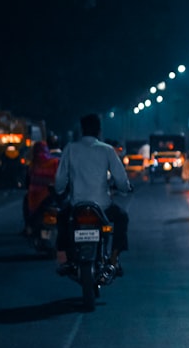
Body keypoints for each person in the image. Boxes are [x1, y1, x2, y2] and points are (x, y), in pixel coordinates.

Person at [54, 113, 132, 275]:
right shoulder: (107, 150)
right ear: (99, 130)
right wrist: (125, 189)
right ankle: (113, 259)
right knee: (122, 217)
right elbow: (120, 178)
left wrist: (59, 190)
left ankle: (65, 259)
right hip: (102, 206)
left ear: (82, 130)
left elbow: (60, 179)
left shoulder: (70, 149)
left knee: (62, 218)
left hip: (77, 206)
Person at [22, 141, 60, 234]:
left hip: (35, 199)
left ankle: (28, 227)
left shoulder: (32, 165)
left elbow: (27, 182)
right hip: (52, 196)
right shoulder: (55, 162)